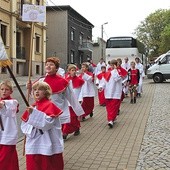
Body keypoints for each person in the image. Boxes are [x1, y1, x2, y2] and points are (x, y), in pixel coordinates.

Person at [28, 57, 84, 126]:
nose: (48, 66)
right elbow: (35, 96)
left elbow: (71, 97)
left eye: (51, 64)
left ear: (56, 68)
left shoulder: (63, 82)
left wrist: (79, 113)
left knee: (55, 135)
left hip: (57, 113)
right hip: (43, 113)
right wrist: (30, 88)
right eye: (47, 64)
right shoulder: (41, 80)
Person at [21, 82, 64, 170]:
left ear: (46, 92)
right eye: (35, 89)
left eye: (40, 89)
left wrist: (34, 114)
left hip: (47, 142)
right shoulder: (32, 107)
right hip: (33, 142)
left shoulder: (50, 105)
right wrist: (30, 127)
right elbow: (24, 125)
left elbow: (47, 124)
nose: (37, 92)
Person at [0, 80, 19, 170]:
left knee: (4, 159)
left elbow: (7, 106)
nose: (4, 91)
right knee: (10, 159)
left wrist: (2, 104)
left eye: (6, 89)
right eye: (2, 89)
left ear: (11, 91)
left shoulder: (13, 102)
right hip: (1, 135)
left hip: (8, 134)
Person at [62, 64, 85, 139]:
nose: (74, 72)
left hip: (76, 101)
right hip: (67, 102)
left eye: (75, 70)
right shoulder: (65, 80)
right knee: (70, 117)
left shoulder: (80, 80)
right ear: (69, 71)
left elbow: (82, 91)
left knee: (73, 117)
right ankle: (69, 130)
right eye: (72, 70)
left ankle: (66, 132)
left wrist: (81, 99)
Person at [99, 59, 122, 128]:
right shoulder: (107, 73)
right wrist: (101, 87)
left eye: (113, 65)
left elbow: (116, 78)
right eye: (111, 65)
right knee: (109, 108)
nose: (111, 67)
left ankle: (111, 120)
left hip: (115, 93)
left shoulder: (118, 72)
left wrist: (115, 70)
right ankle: (111, 119)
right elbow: (104, 81)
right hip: (108, 93)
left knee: (114, 108)